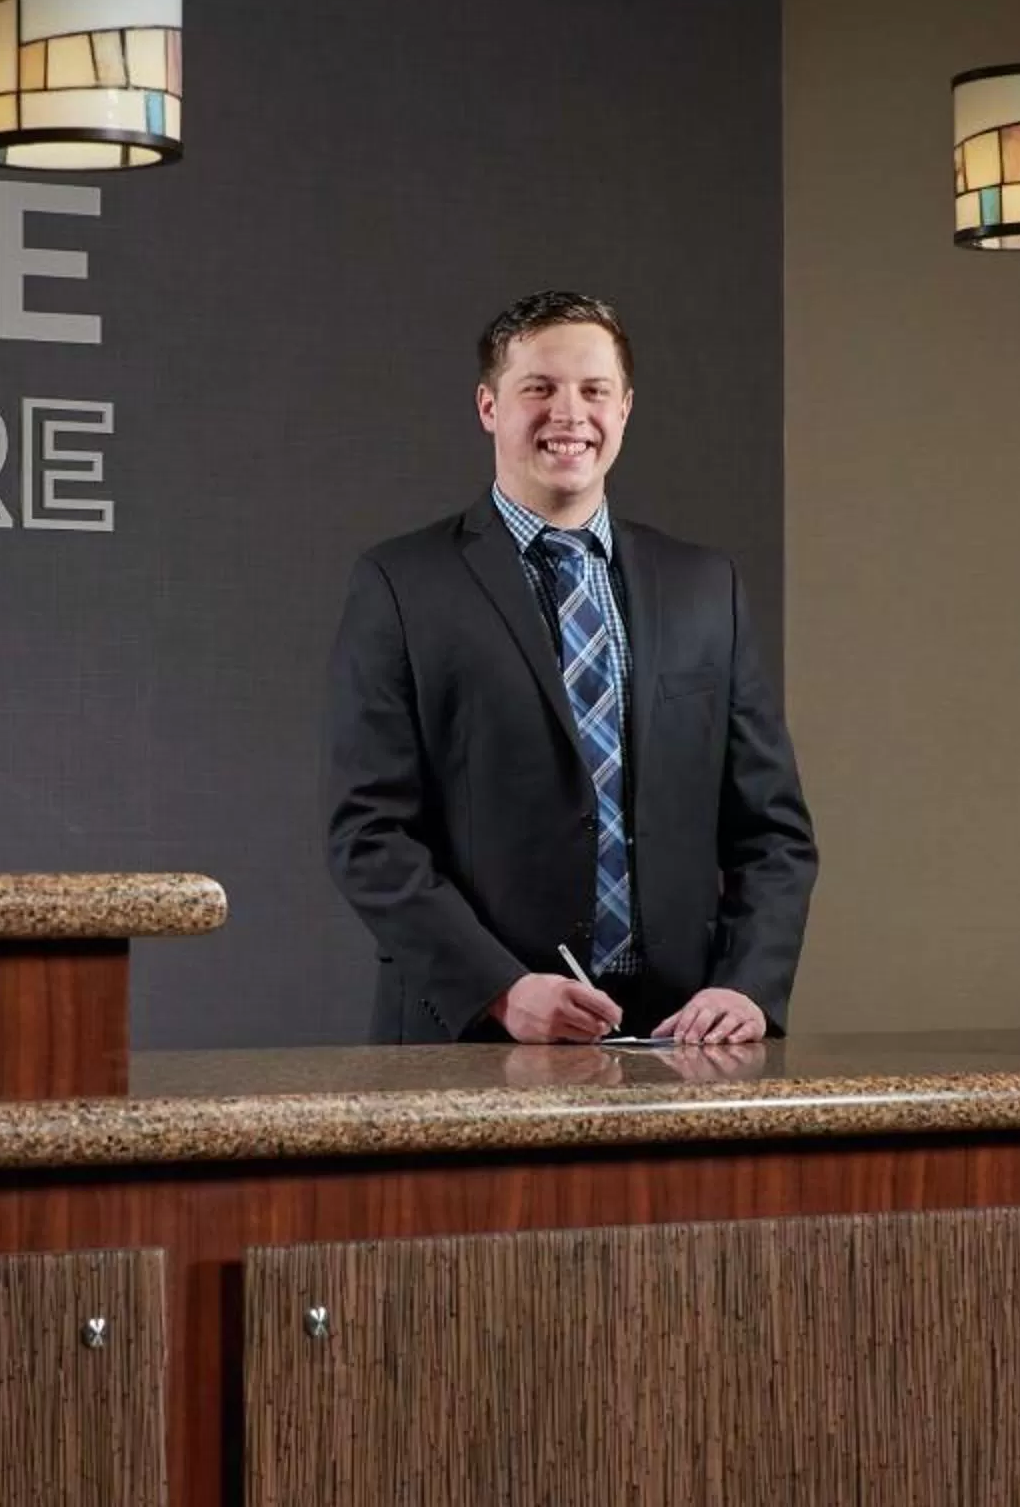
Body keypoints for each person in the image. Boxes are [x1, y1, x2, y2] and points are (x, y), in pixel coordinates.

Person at [323, 290, 817, 1045]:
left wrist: (747, 985)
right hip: (474, 1035)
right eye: (539, 389)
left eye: (594, 391)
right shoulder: (401, 583)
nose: (569, 414)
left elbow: (773, 832)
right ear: (489, 406)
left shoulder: (704, 585)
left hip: (685, 1038)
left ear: (624, 409)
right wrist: (499, 989)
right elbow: (368, 831)